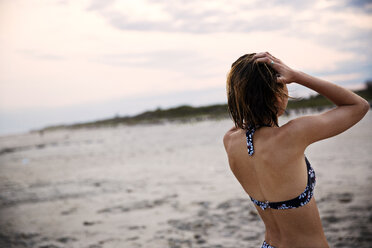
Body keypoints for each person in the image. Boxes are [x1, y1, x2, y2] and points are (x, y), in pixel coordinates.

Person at [223, 52, 369, 248]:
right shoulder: (291, 135)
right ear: (277, 96)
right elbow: (358, 105)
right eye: (284, 86)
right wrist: (297, 75)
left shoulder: (230, 141)